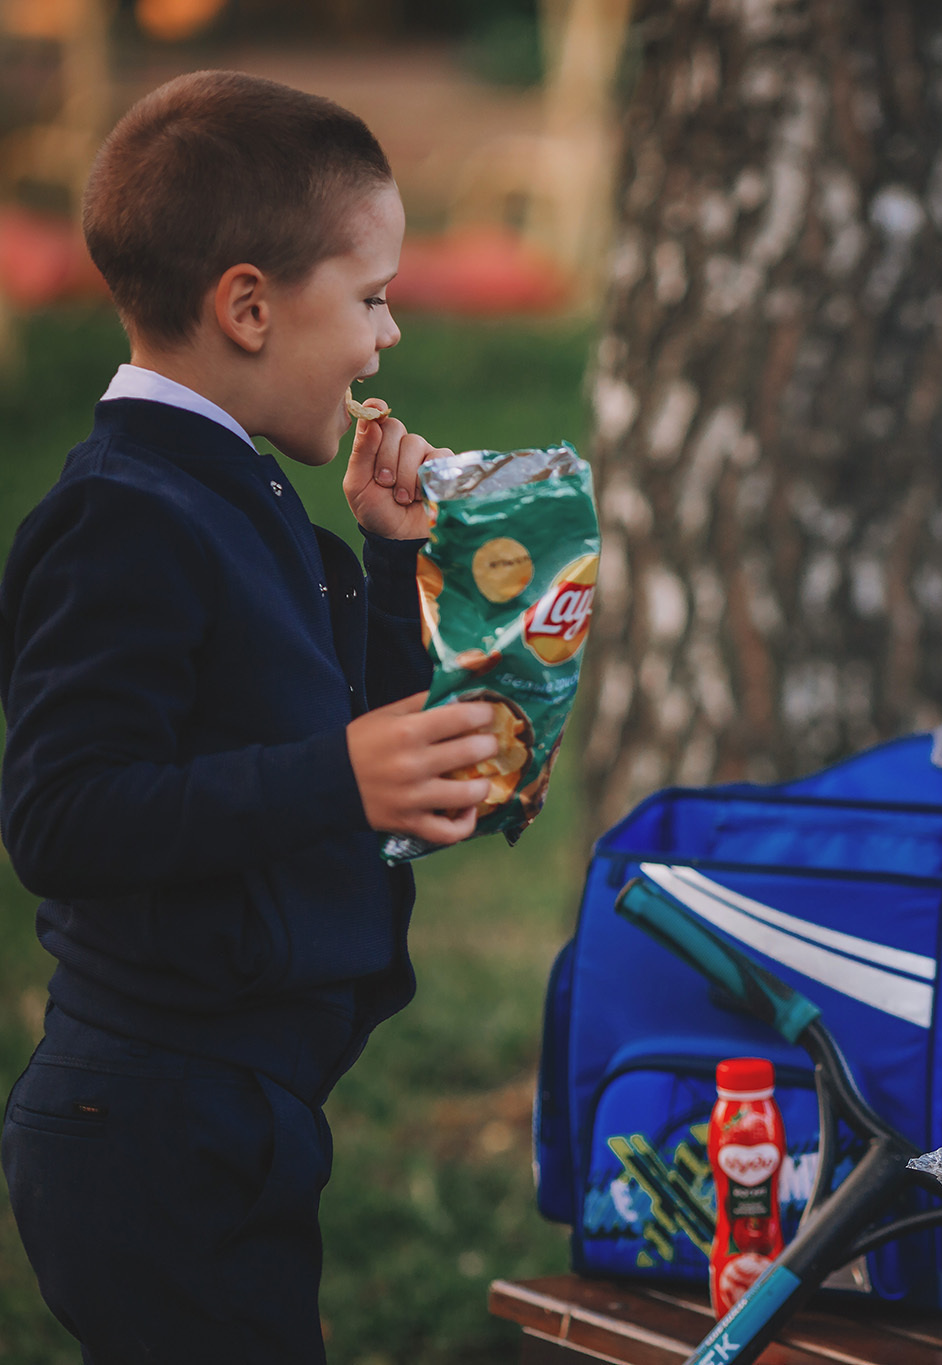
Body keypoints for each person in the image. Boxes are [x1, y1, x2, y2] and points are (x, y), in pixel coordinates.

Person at [0, 71, 500, 1361]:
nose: (388, 337)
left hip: (235, 1106)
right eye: (371, 298)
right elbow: (60, 814)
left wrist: (394, 559)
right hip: (149, 1115)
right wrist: (339, 775)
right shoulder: (123, 516)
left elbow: (343, 737)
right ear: (248, 306)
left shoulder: (242, 498)